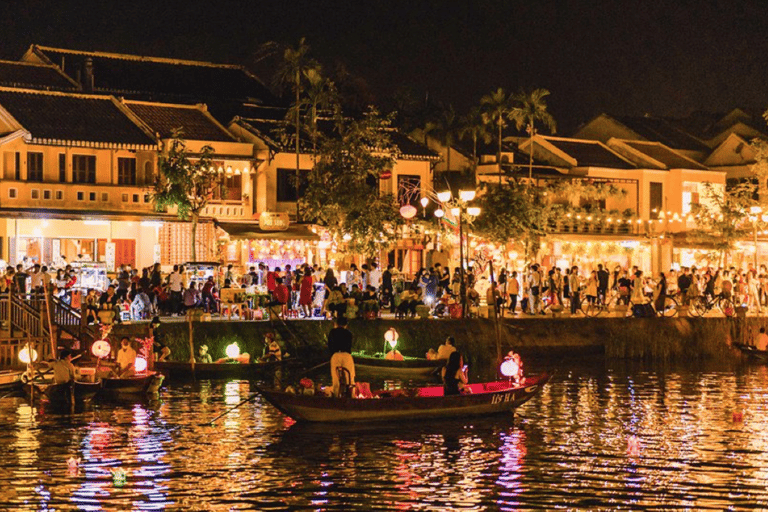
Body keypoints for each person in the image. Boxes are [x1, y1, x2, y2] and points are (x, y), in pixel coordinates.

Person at [327, 316, 354, 397]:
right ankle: (351, 395)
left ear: (336, 323)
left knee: (335, 378)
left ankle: (335, 395)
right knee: (350, 377)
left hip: (336, 355)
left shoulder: (332, 332)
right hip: (346, 355)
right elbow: (350, 345)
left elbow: (330, 345)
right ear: (346, 324)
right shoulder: (349, 333)